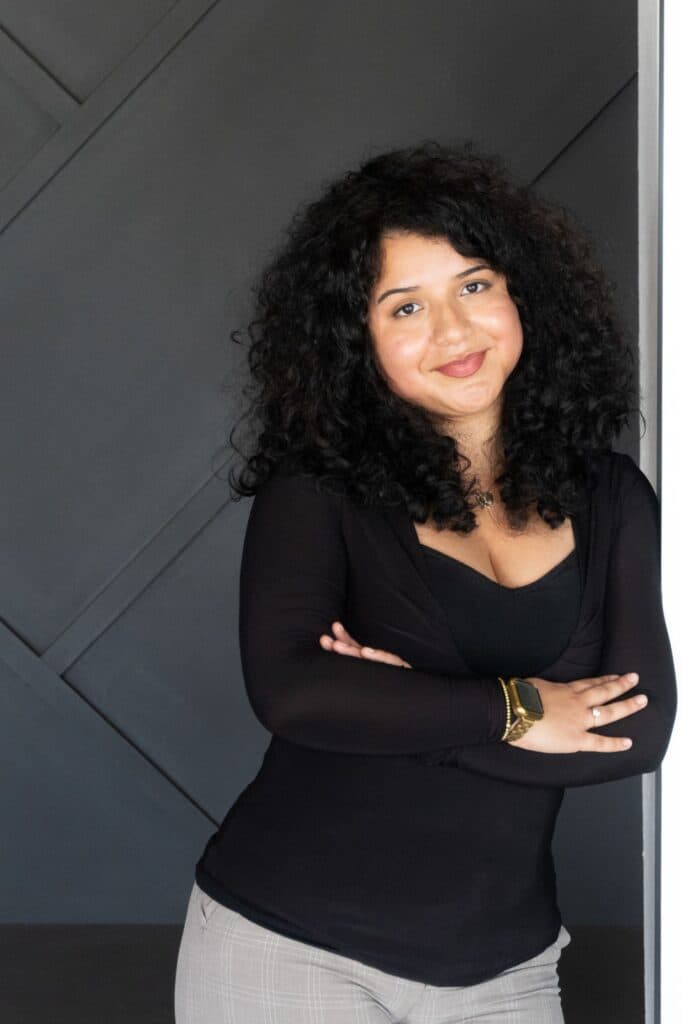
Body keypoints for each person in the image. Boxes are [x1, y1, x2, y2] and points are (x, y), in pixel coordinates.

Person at [174, 141, 677, 1023]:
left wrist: (398, 709)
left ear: (522, 294)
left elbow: (636, 734)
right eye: (405, 306)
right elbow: (293, 692)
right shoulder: (319, 488)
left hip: (507, 963)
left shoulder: (613, 496)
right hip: (290, 945)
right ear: (356, 340)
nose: (453, 331)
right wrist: (520, 709)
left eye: (474, 286)